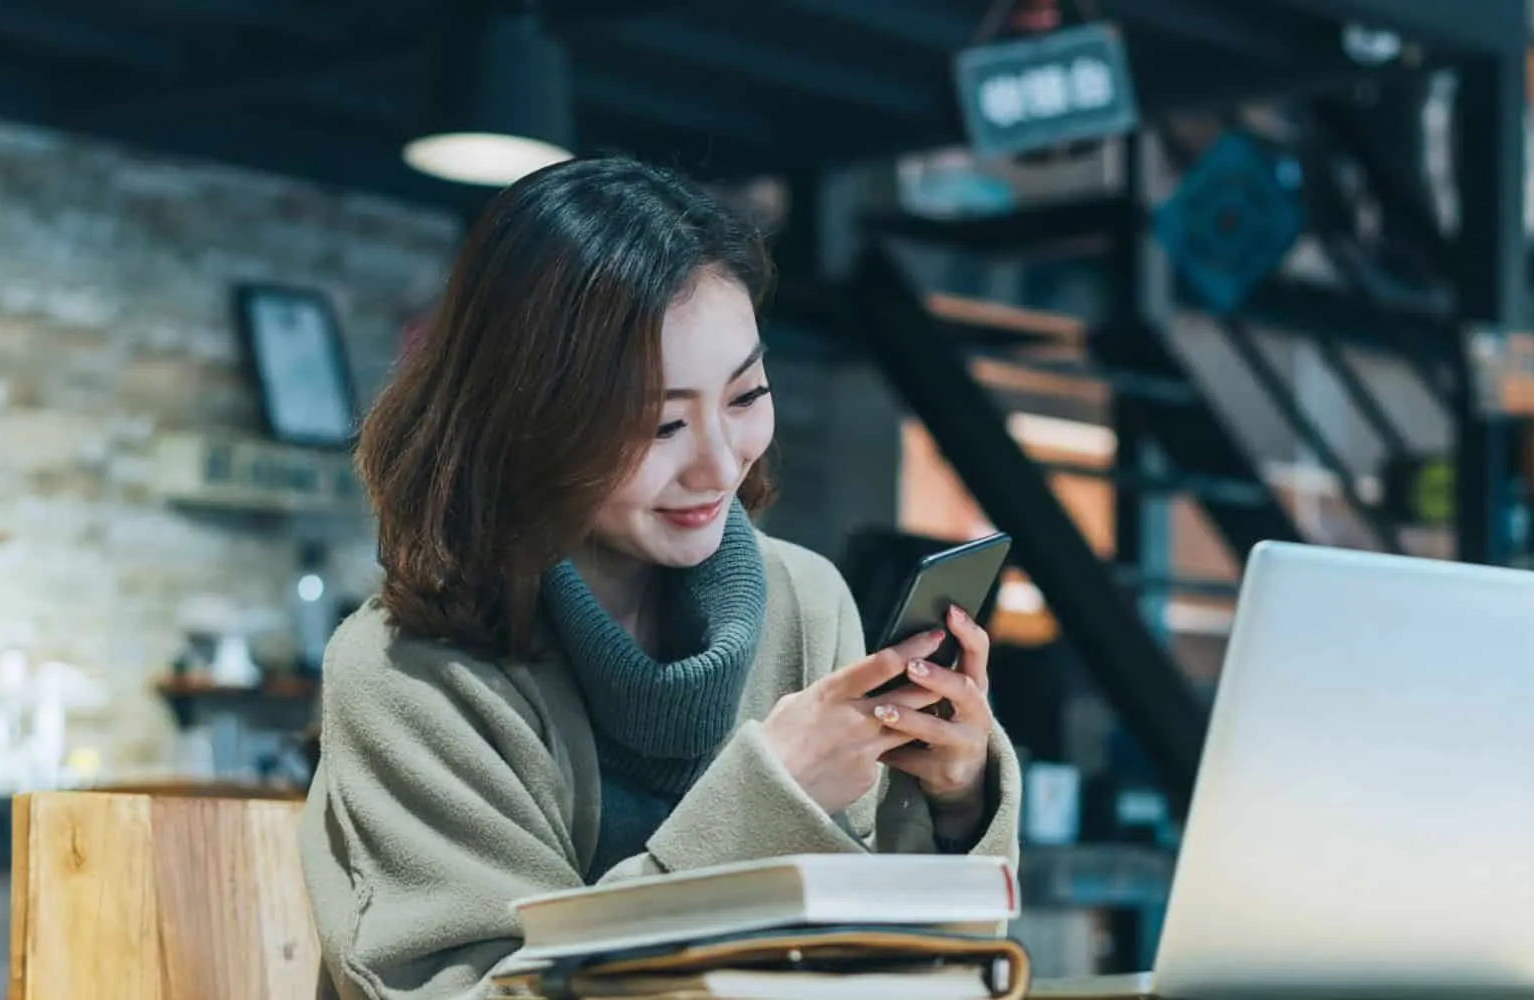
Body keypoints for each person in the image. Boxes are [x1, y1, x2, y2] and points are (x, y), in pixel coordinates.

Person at [299, 157, 1020, 1000]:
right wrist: (769, 800)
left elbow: (886, 966)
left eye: (746, 396)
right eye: (662, 422)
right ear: (532, 420)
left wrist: (955, 804)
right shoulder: (406, 675)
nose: (718, 463)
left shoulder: (806, 603)